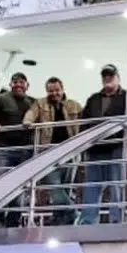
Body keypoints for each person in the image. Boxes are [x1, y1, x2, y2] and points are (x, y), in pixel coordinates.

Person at [77, 65, 127, 224]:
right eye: (104, 75)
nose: (107, 78)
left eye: (110, 75)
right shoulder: (93, 99)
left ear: (118, 77)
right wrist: (86, 141)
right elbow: (84, 121)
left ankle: (116, 221)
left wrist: (125, 138)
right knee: (92, 186)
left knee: (116, 185)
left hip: (116, 147)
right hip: (95, 148)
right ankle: (88, 221)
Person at [22, 76, 83, 224]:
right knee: (53, 185)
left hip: (70, 150)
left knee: (65, 186)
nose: (54, 93)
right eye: (51, 91)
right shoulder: (40, 103)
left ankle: (60, 219)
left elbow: (87, 118)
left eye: (57, 90)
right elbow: (31, 114)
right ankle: (72, 211)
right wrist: (28, 122)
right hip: (48, 151)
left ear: (62, 89)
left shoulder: (74, 105)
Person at [0, 72, 35, 226]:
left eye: (21, 82)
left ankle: (14, 219)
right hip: (3, 148)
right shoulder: (1, 99)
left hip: (25, 150)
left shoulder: (33, 103)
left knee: (20, 185)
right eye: (15, 82)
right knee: (0, 182)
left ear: (27, 85)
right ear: (11, 84)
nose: (18, 85)